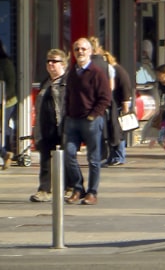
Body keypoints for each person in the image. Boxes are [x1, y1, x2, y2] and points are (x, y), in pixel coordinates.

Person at [63, 37, 111, 206]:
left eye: (83, 49)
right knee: (68, 154)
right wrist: (67, 114)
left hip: (91, 121)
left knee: (93, 158)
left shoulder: (97, 73)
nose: (80, 52)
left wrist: (93, 115)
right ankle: (77, 188)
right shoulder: (72, 73)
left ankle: (92, 192)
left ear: (90, 52)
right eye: (77, 49)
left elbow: (105, 98)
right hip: (73, 120)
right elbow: (67, 96)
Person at [30, 48, 67, 202]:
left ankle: (71, 187)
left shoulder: (67, 82)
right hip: (45, 127)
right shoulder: (45, 82)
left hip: (63, 126)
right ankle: (44, 190)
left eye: (55, 61)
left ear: (63, 64)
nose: (51, 64)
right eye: (48, 61)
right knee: (45, 160)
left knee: (67, 159)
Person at [103, 50, 133, 166]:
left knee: (118, 132)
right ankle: (112, 156)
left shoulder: (118, 71)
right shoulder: (114, 71)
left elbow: (125, 88)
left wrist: (125, 108)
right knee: (113, 132)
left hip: (119, 106)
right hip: (113, 105)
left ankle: (119, 156)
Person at [0, 38, 18, 169]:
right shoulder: (0, 62)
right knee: (0, 128)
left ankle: (5, 152)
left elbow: (7, 83)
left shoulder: (3, 63)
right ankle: (4, 152)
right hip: (2, 101)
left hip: (6, 102)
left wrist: (1, 100)